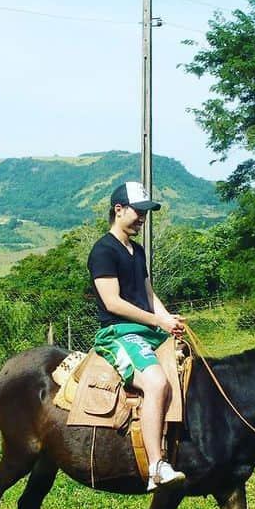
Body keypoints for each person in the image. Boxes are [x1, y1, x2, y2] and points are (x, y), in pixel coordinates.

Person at [88, 181, 187, 492]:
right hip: (118, 333)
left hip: (149, 330)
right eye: (139, 211)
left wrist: (168, 319)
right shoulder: (103, 251)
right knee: (156, 382)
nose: (143, 217)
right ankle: (156, 466)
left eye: (146, 212)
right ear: (119, 210)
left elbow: (147, 293)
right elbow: (112, 302)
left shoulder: (137, 250)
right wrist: (158, 320)